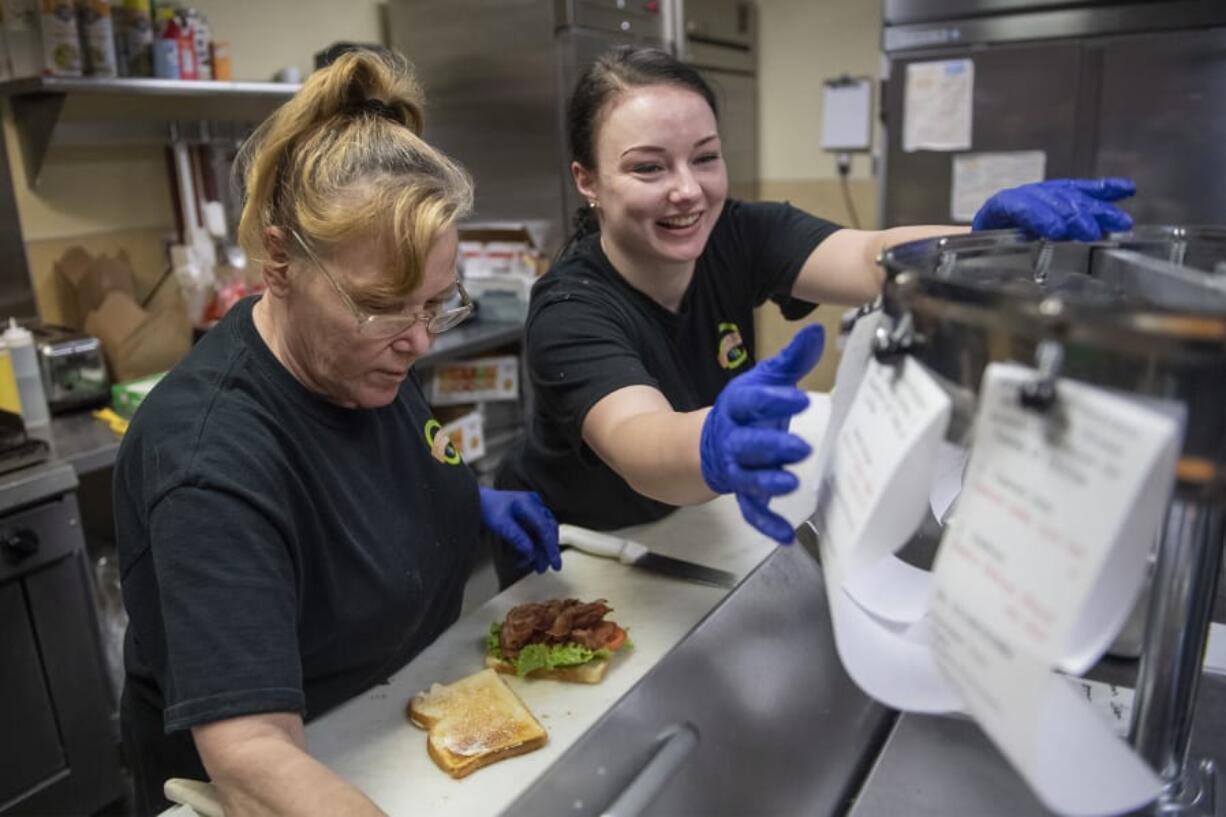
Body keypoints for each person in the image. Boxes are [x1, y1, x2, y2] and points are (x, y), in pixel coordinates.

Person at [115, 50, 560, 817]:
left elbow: (368, 475)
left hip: (393, 731)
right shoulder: (208, 458)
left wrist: (463, 503)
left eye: (435, 304)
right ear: (279, 259)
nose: (420, 340)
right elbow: (253, 761)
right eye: (385, 306)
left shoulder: (362, 352)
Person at [496, 45, 1136, 560]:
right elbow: (641, 444)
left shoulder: (738, 233)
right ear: (588, 181)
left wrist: (976, 243)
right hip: (576, 550)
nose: (688, 191)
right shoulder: (571, 308)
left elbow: (869, 255)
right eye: (648, 169)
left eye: (706, 158)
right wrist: (713, 439)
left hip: (690, 522)